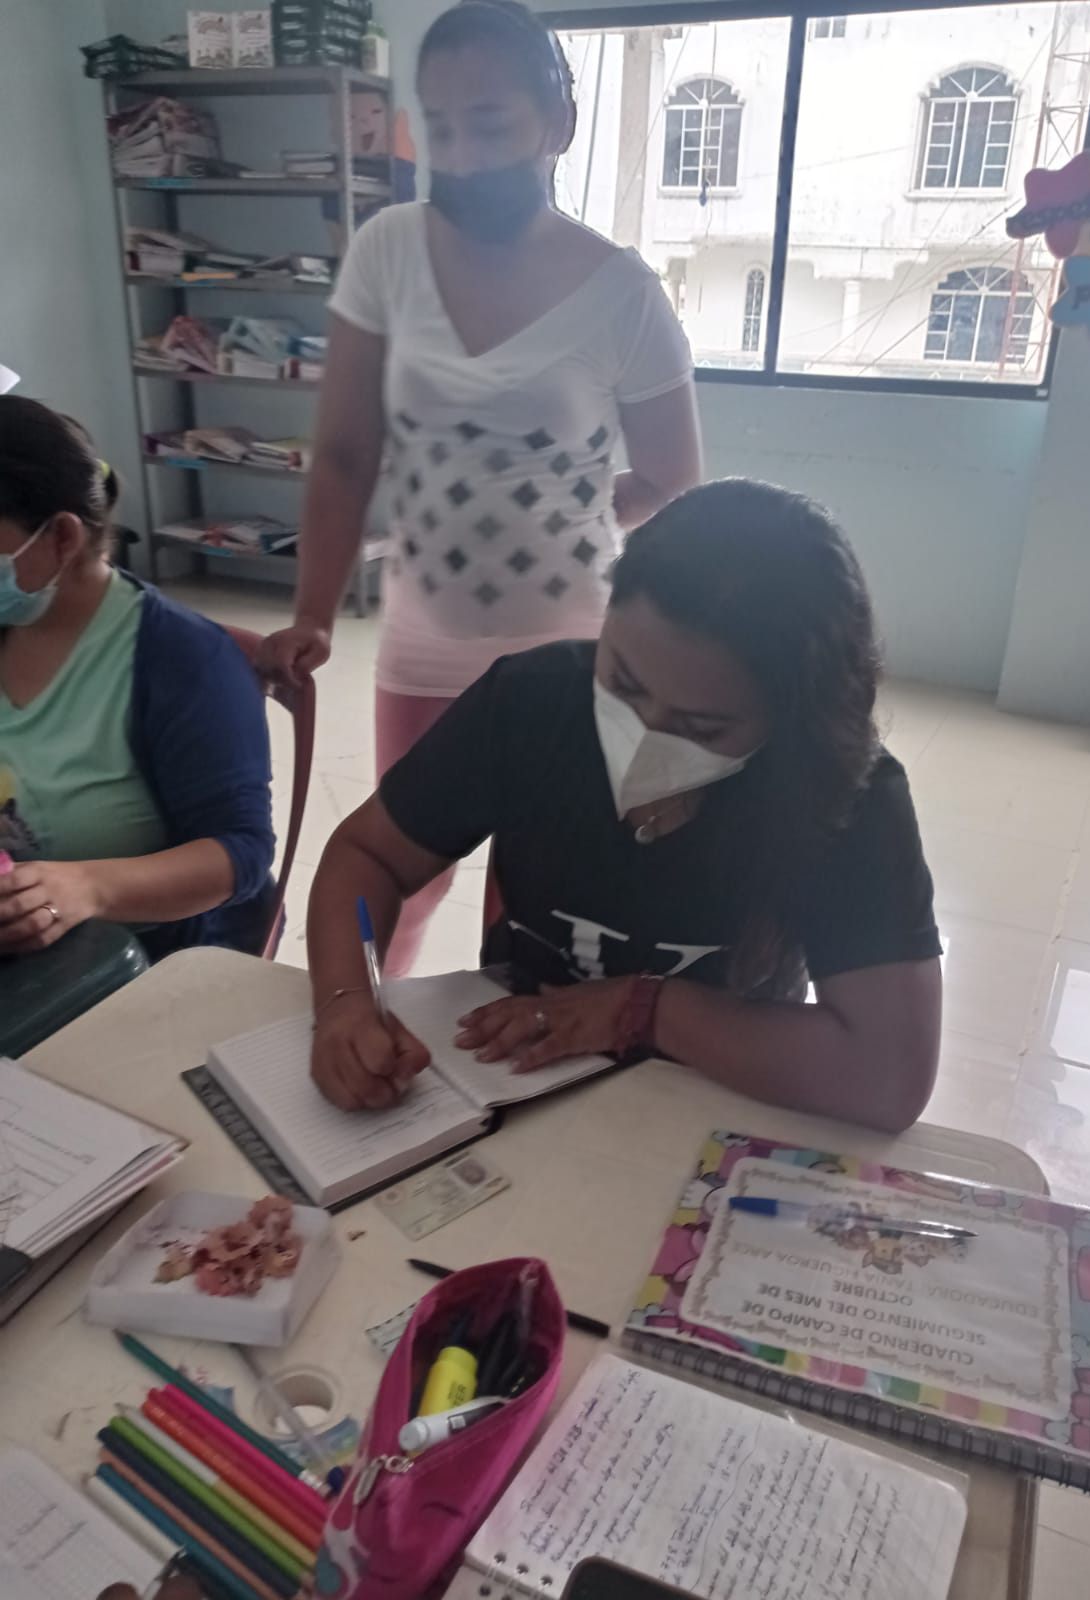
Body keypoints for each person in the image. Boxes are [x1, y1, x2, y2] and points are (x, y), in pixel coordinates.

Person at [259, 0, 701, 974]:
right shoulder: (386, 252)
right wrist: (313, 615)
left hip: (571, 653)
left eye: (490, 124)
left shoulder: (622, 293)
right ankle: (367, 1023)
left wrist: (578, 509)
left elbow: (675, 477)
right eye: (442, 127)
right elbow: (344, 455)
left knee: (533, 890)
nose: (460, 157)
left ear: (556, 124)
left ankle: (509, 1047)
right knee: (404, 874)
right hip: (425, 642)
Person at [304, 480, 942, 1135]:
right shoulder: (532, 702)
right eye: (624, 684)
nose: (646, 733)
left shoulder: (846, 789)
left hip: (724, 1090)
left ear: (793, 719)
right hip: (514, 1073)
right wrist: (345, 1002)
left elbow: (888, 1077)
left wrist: (644, 1010)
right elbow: (368, 855)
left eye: (701, 727)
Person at [0, 397, 273, 960]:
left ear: (63, 537)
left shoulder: (183, 660)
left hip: (148, 961)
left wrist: (89, 887)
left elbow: (241, 853)